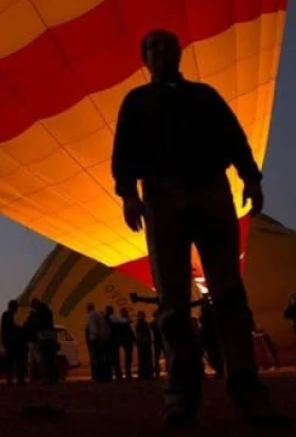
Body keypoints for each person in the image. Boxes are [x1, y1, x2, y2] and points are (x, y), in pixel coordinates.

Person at [112, 29, 278, 426]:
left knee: (229, 292)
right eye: (153, 46)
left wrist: (251, 178)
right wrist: (128, 195)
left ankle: (247, 390)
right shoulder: (135, 102)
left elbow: (235, 137)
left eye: (168, 44)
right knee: (172, 299)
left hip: (211, 192)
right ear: (144, 58)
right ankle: (181, 396)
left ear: (179, 52)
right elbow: (124, 151)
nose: (162, 51)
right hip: (161, 198)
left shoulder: (205, 96)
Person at [0, 300, 26, 385]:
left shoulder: (6, 314)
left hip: (8, 342)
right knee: (18, 361)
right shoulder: (8, 315)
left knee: (10, 362)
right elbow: (11, 328)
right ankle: (19, 380)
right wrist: (21, 329)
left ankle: (10, 380)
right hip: (12, 343)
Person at [84, 303, 111, 382]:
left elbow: (93, 328)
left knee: (95, 359)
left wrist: (95, 336)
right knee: (102, 358)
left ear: (88, 308)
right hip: (103, 340)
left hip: (95, 340)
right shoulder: (99, 315)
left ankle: (97, 376)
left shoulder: (91, 316)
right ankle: (104, 376)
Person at [135, 311, 154, 380]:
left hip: (143, 343)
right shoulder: (143, 323)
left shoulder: (140, 323)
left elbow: (138, 334)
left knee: (143, 359)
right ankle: (147, 374)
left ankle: (144, 374)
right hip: (144, 343)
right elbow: (141, 334)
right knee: (146, 358)